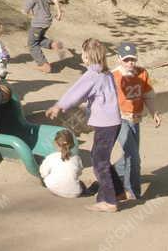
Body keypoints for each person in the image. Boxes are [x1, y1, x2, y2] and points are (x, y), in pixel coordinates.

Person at [46, 39, 124, 212]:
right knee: (100, 157)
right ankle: (118, 192)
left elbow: (76, 92)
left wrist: (59, 106)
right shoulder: (106, 73)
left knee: (99, 162)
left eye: (83, 53)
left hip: (106, 124)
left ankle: (109, 201)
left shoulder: (93, 75)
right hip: (112, 123)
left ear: (86, 56)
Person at [112, 41, 161, 201]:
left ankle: (110, 174)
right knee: (133, 156)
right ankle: (131, 191)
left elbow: (148, 95)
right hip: (120, 119)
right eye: (126, 60)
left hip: (136, 119)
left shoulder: (142, 73)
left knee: (130, 154)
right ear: (119, 59)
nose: (129, 63)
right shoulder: (114, 76)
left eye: (132, 59)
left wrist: (154, 112)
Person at [22, 0, 65, 73]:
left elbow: (25, 10)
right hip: (47, 21)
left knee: (32, 44)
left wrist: (25, 12)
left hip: (38, 23)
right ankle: (53, 44)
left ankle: (44, 65)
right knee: (37, 38)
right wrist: (59, 13)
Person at [39, 129, 83, 198]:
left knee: (44, 177)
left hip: (54, 189)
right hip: (75, 193)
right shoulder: (77, 158)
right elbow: (79, 173)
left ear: (55, 143)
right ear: (72, 144)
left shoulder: (51, 157)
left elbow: (43, 173)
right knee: (79, 183)